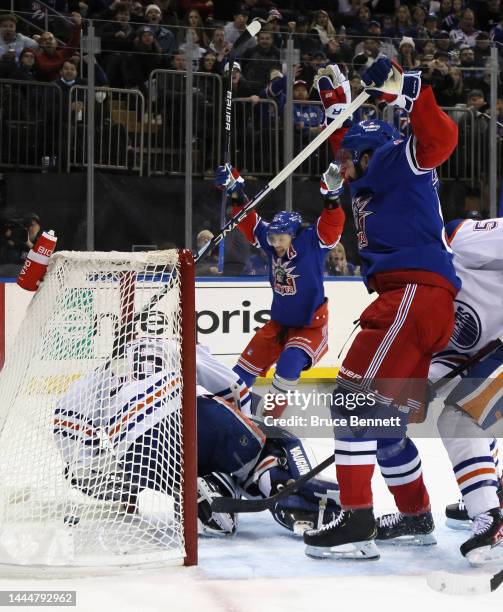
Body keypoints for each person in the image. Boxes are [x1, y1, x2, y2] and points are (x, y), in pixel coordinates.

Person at [303, 58, 459, 560]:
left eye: (348, 160)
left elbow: (439, 142)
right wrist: (334, 106)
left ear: (367, 155)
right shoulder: (370, 167)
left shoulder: (398, 158)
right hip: (415, 299)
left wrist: (411, 94)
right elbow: (348, 140)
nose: (341, 169)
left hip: (412, 295)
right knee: (383, 423)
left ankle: (356, 518)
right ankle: (414, 517)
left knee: (349, 399)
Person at [54, 338, 340, 537]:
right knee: (267, 445)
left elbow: (65, 417)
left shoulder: (102, 371)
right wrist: (246, 439)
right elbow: (235, 388)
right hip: (193, 414)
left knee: (165, 467)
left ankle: (205, 495)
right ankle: (292, 498)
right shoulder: (179, 345)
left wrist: (93, 463)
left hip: (137, 449)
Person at [377, 218, 503, 564]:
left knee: (460, 418)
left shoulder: (460, 240)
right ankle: (414, 515)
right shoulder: (398, 282)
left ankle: (489, 514)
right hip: (460, 353)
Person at [214, 162, 345, 418]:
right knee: (238, 375)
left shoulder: (310, 242)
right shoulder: (272, 239)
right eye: (272, 239)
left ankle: (269, 420)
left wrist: (332, 197)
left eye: (280, 239)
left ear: (294, 236)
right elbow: (248, 219)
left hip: (310, 327)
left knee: (289, 362)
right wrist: (234, 188)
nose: (275, 245)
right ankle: (227, 416)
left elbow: (331, 225)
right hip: (278, 325)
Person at [34, 12, 82, 82]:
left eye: (50, 39)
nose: (48, 41)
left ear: (56, 43)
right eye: (44, 40)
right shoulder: (39, 58)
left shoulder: (62, 54)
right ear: (41, 45)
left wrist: (78, 25)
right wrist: (64, 61)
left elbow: (73, 43)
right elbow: (45, 68)